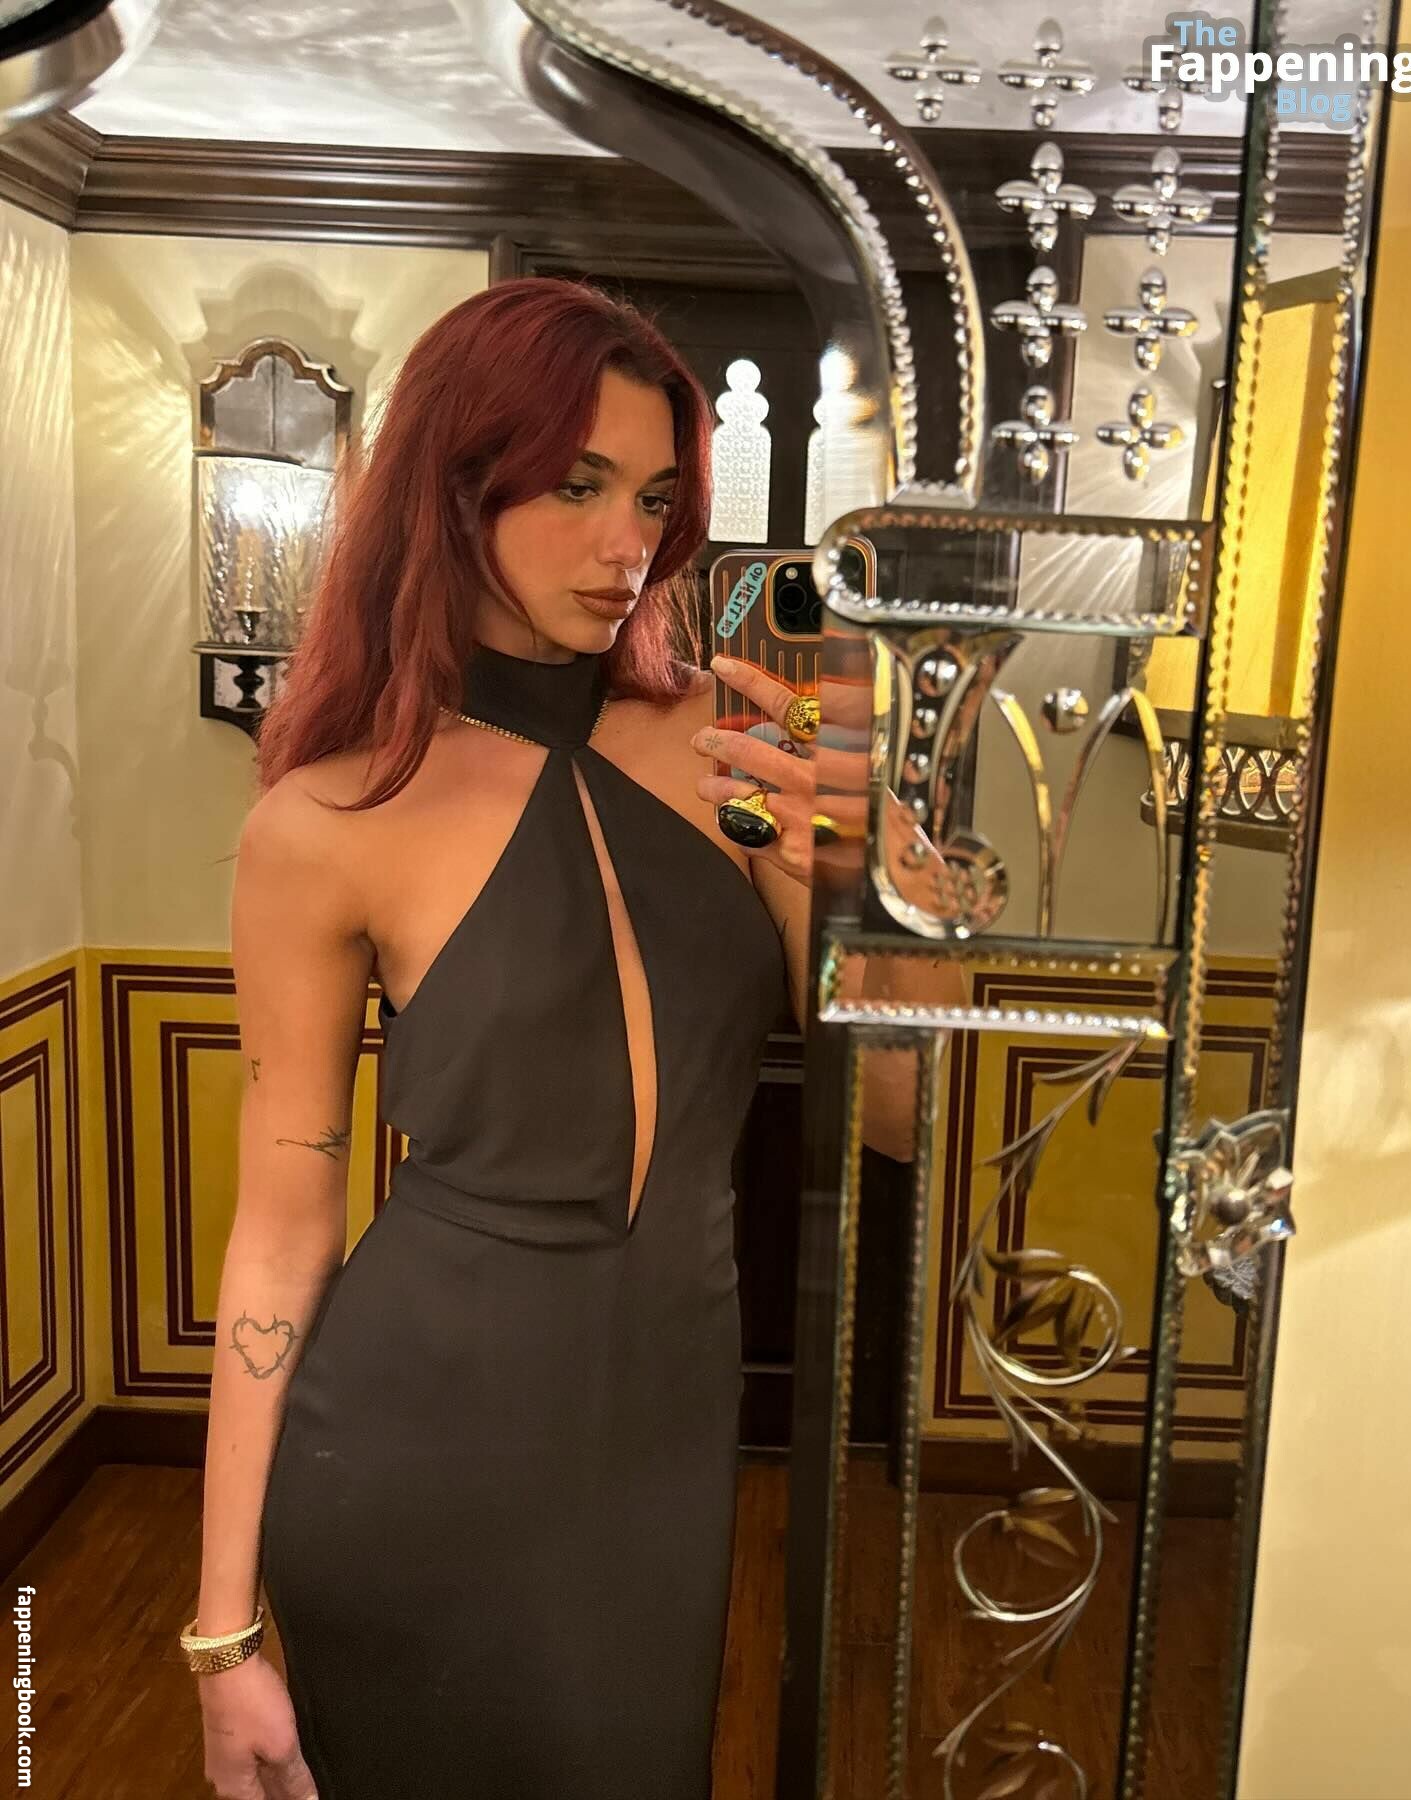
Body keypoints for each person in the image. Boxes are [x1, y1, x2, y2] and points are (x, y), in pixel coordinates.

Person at [182, 277, 822, 1800]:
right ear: (455, 485)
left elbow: (899, 1120)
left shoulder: (735, 755)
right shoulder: (328, 819)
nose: (627, 546)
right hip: (413, 1443)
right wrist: (223, 1633)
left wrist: (851, 873)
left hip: (667, 1431)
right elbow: (281, 1233)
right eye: (577, 485)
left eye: (654, 498)